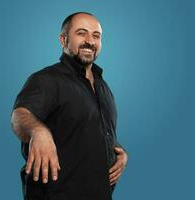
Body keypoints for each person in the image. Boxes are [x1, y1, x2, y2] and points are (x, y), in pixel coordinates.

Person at [11, 12, 128, 200]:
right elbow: (19, 116)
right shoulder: (46, 79)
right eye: (81, 33)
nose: (90, 41)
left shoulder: (103, 87)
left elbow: (87, 132)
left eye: (96, 36)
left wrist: (119, 154)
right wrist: (39, 132)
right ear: (63, 39)